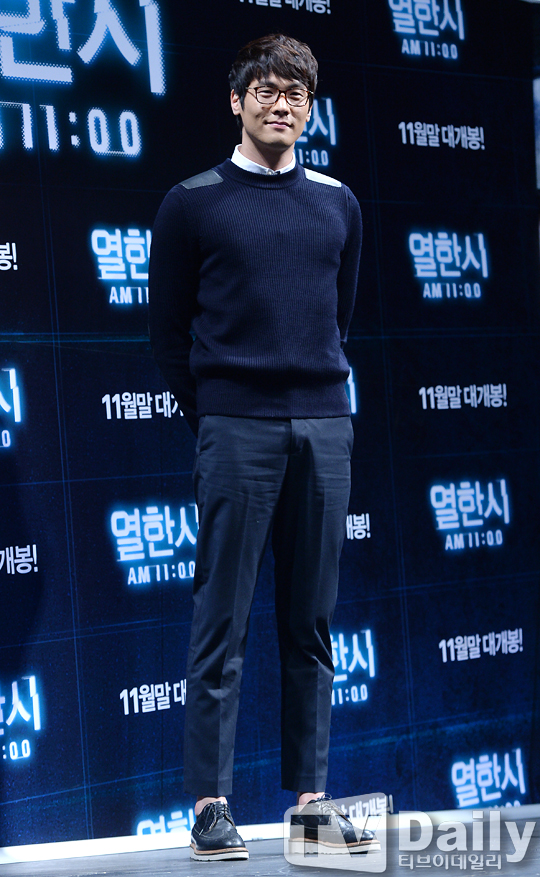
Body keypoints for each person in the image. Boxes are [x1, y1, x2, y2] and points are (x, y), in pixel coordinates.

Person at [149, 32, 376, 862]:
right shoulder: (192, 202)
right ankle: (211, 804)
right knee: (222, 619)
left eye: (296, 94)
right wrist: (219, 413)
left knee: (311, 622)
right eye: (267, 91)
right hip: (235, 427)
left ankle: (310, 802)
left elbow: (337, 316)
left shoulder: (340, 204)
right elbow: (168, 335)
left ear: (309, 108)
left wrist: (311, 406)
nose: (282, 105)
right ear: (237, 100)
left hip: (324, 425)